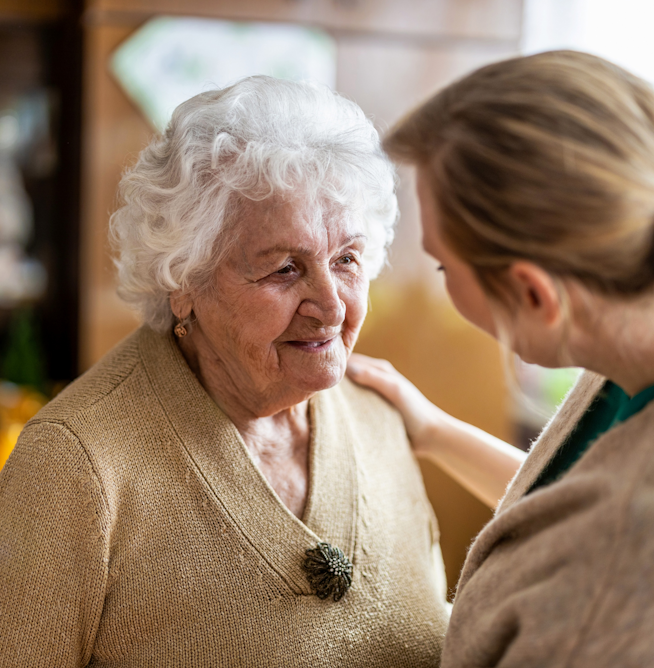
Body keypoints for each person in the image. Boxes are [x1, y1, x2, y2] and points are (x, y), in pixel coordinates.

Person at [347, 50, 654, 667]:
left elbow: (606, 545)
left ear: (534, 293)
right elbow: (577, 503)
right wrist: (433, 431)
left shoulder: (616, 596)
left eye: (442, 265)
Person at [0, 76, 449, 666]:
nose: (332, 306)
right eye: (285, 269)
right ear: (183, 281)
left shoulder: (380, 418)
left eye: (347, 260)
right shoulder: (77, 464)